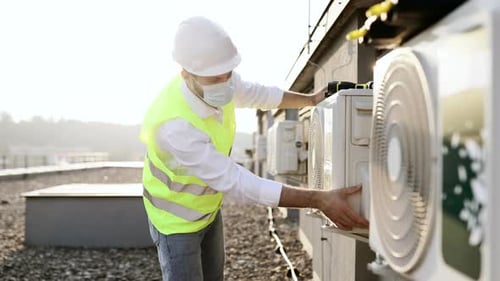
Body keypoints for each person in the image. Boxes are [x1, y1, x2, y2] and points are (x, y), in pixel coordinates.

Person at [139, 16, 369, 281]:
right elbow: (237, 182)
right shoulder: (175, 126)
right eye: (215, 77)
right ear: (186, 75)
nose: (226, 82)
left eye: (228, 73)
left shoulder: (218, 81)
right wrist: (317, 199)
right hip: (174, 220)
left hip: (207, 210)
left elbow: (259, 94)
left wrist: (312, 100)